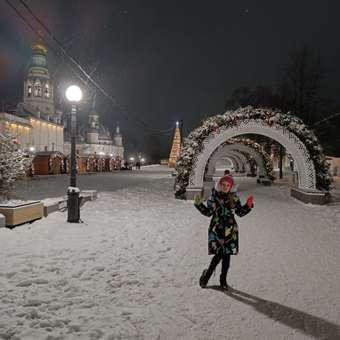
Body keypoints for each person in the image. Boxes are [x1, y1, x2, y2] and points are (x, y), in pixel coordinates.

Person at [194, 175, 254, 290]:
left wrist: (248, 206)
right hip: (217, 230)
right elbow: (208, 213)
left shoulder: (233, 198)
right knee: (219, 255)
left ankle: (223, 280)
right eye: (223, 185)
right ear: (220, 185)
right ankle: (206, 277)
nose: (225, 187)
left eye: (228, 185)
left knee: (226, 256)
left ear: (231, 187)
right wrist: (199, 205)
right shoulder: (213, 197)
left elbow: (240, 213)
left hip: (230, 231)